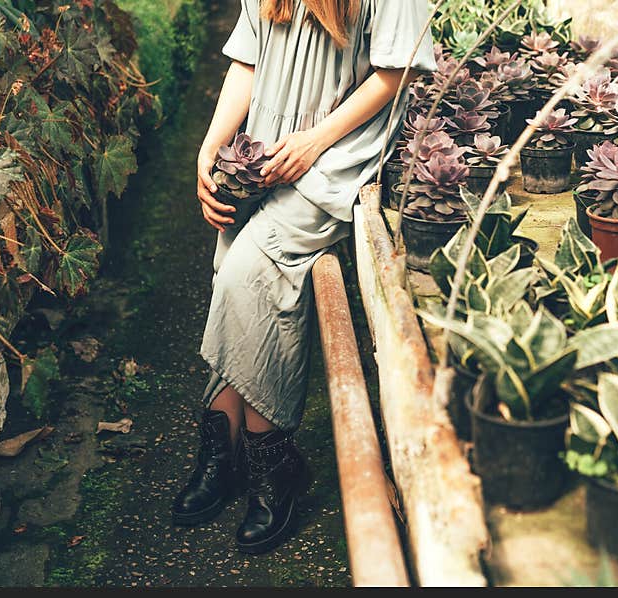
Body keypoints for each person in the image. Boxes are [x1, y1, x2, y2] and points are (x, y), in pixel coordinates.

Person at [173, 0, 436, 554]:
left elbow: (395, 71)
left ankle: (269, 457)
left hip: (338, 154)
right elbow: (248, 60)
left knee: (252, 271)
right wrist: (211, 146)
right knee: (230, 278)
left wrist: (315, 141)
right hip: (263, 152)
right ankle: (226, 450)